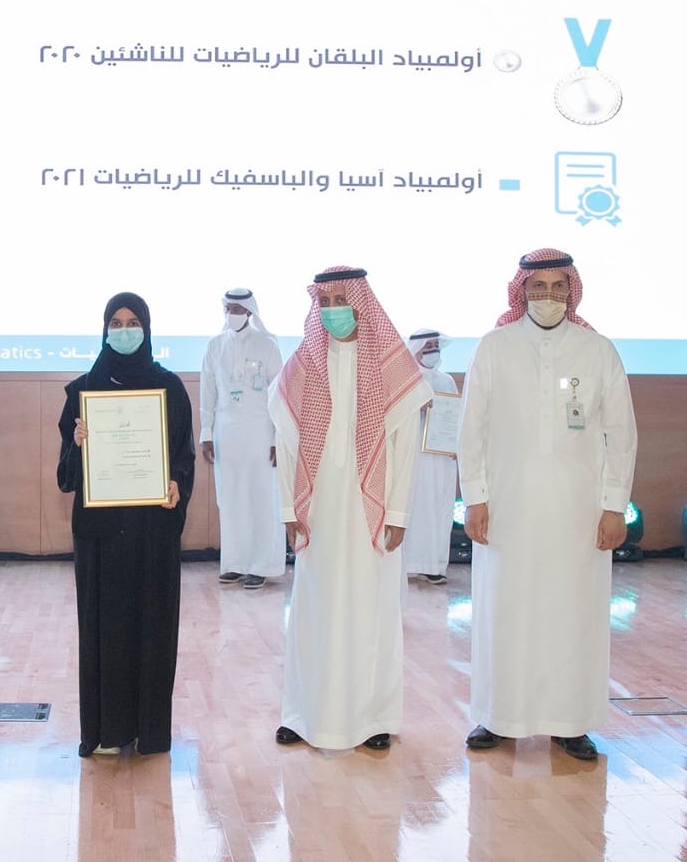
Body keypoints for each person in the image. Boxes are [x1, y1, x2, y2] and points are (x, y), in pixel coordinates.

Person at [459, 249, 636, 761]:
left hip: (578, 511)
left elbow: (621, 434)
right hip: (506, 507)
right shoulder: (494, 347)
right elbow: (472, 430)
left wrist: (614, 505)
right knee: (504, 608)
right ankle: (498, 717)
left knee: (572, 613)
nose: (549, 296)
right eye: (538, 286)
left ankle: (570, 722)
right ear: (522, 290)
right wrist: (475, 497)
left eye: (559, 286)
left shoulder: (597, 350)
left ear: (572, 291)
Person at [269, 266, 431, 751]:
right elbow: (286, 442)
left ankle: (373, 718)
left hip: (370, 511)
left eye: (343, 299)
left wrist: (398, 513)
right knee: (313, 608)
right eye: (326, 301)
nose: (334, 309)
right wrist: (287, 509)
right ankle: (302, 713)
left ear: (363, 302)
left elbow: (406, 445)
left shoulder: (392, 366)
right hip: (317, 508)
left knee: (372, 609)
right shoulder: (302, 365)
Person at [57, 292, 196, 757]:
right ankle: (107, 730)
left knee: (153, 626)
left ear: (147, 328)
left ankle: (149, 731)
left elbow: (183, 456)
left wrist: (176, 483)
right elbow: (65, 478)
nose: (124, 330)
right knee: (105, 629)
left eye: (132, 321)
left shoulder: (169, 388)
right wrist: (77, 444)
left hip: (153, 531)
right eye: (115, 323)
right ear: (104, 330)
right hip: (100, 535)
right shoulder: (81, 392)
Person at [200, 288, 285, 589]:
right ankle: (235, 564)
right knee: (231, 498)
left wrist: (277, 438)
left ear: (250, 312)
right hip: (226, 433)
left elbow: (279, 394)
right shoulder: (215, 346)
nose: (232, 314)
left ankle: (261, 565)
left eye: (237, 309)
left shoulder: (267, 345)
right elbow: (207, 391)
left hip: (260, 432)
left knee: (261, 498)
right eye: (228, 309)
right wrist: (206, 432)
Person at [399, 329, 459, 586]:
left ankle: (434, 566)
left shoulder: (446, 381)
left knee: (438, 508)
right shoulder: (405, 380)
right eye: (428, 346)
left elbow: (454, 415)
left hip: (440, 458)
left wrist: (455, 444)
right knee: (414, 505)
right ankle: (408, 564)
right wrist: (416, 406)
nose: (433, 350)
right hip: (413, 456)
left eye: (436, 345)